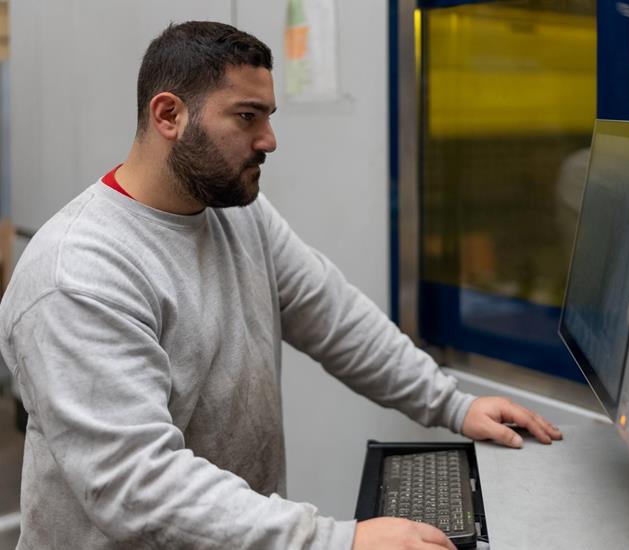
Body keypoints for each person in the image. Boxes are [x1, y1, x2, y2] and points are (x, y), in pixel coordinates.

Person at [0, 21, 562, 550]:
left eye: (268, 115)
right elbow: (135, 485)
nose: (269, 140)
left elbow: (333, 316)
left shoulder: (238, 215)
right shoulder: (80, 273)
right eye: (247, 117)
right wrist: (338, 540)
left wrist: (451, 403)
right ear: (169, 114)